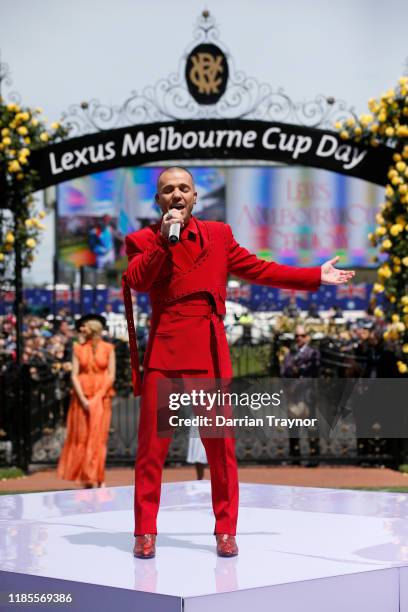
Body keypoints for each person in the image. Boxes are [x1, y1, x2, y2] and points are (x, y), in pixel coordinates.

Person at [122, 166, 355, 559]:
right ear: (158, 201)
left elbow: (261, 269)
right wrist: (164, 241)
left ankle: (225, 530)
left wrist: (314, 275)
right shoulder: (141, 239)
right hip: (164, 353)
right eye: (167, 190)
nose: (176, 195)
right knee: (151, 450)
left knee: (221, 450)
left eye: (184, 188)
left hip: (208, 352)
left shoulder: (218, 235)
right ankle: (145, 531)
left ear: (195, 197)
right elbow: (138, 280)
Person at [57, 314, 115, 488]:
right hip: (81, 398)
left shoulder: (108, 348)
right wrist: (83, 398)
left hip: (102, 397)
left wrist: (98, 396)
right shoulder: (77, 348)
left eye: (85, 327)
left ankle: (99, 476)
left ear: (93, 329)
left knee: (98, 438)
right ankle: (86, 478)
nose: (81, 329)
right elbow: (74, 374)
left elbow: (111, 375)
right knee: (82, 437)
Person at [281, 324, 321, 465]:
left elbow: (313, 369)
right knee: (293, 426)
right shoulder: (290, 354)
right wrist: (293, 374)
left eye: (302, 336)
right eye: (297, 336)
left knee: (311, 426)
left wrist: (299, 370)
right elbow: (284, 372)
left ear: (307, 337)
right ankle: (295, 456)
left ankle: (314, 456)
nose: (299, 338)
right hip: (293, 394)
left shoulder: (312, 352)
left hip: (307, 394)